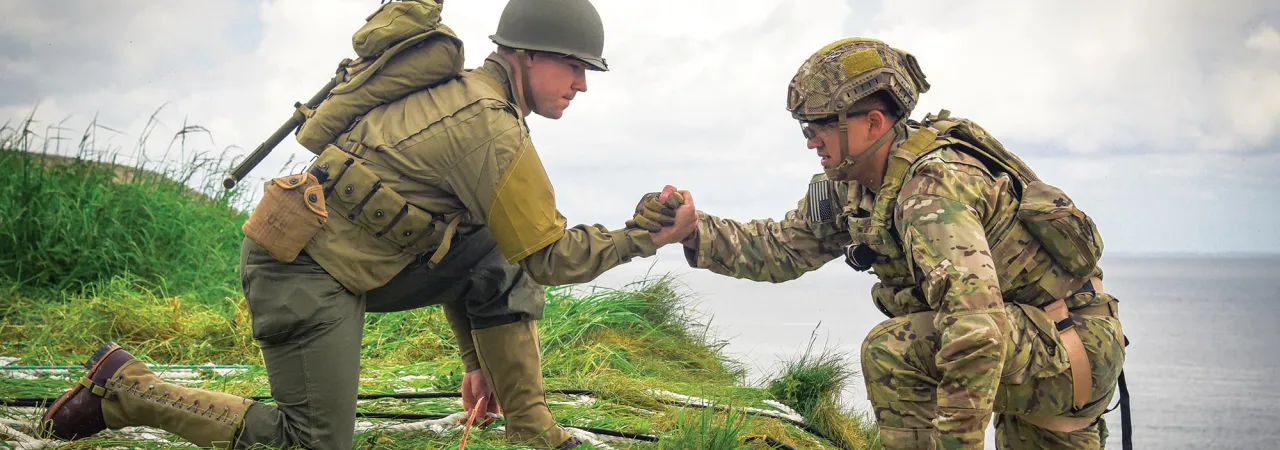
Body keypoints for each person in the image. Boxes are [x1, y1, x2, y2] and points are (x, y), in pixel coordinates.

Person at [39, 1, 697, 449]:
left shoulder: (480, 99)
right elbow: (554, 259)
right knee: (314, 440)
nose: (582, 84)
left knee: (500, 246)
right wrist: (646, 234)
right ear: (526, 56)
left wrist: (477, 362)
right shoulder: (488, 128)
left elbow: (485, 251)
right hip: (300, 270)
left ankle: (529, 425)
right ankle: (125, 389)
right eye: (575, 66)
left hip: (365, 266)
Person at [638, 37, 1126, 449]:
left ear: (873, 123)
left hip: (1066, 351)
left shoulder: (932, 192)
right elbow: (784, 248)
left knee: (892, 348)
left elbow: (975, 329)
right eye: (806, 128)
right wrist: (693, 230)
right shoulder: (852, 186)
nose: (811, 141)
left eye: (822, 125)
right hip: (1030, 345)